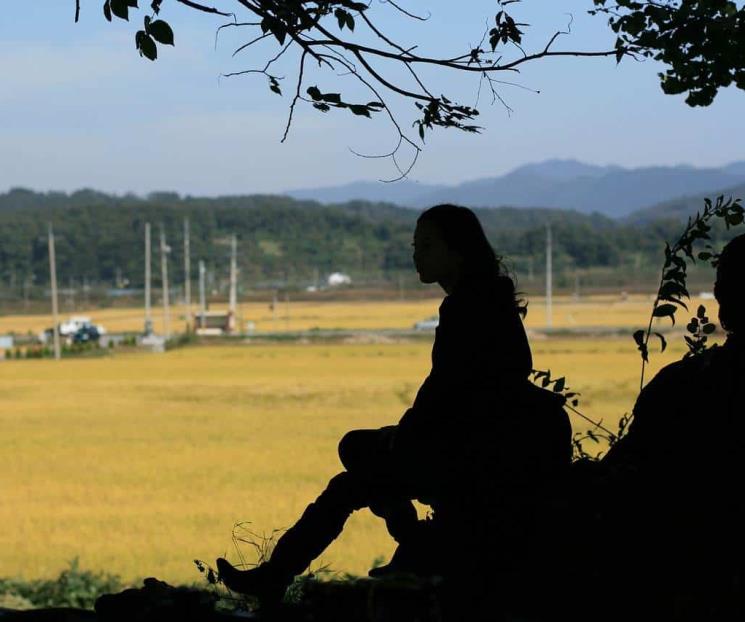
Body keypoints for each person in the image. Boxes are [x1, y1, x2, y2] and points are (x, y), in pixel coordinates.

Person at [216, 204, 571, 607]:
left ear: (458, 252)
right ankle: (405, 549)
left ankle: (404, 547)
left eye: (428, 245)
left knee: (353, 461)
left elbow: (450, 391)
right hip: (473, 441)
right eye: (415, 245)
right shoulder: (487, 298)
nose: (417, 254)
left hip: (472, 451)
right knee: (357, 463)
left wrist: (405, 435)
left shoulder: (469, 305)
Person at [575, 233, 745, 620]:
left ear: (723, 299)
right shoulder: (688, 384)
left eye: (723, 284)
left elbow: (621, 479)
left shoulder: (685, 385)